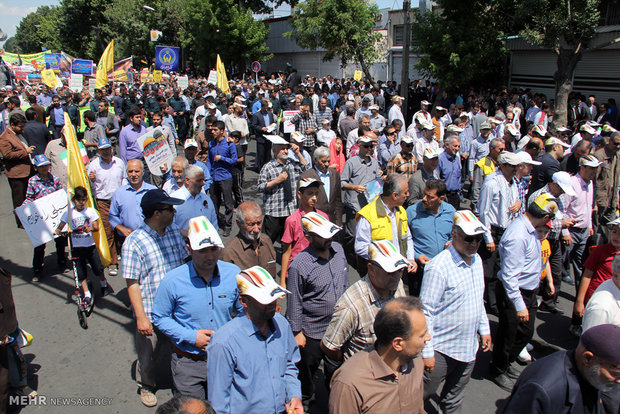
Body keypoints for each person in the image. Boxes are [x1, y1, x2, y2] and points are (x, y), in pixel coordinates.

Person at [152, 216, 243, 399]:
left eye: (213, 249)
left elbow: (243, 312)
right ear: (189, 249)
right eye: (202, 250)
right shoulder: (172, 281)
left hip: (225, 360)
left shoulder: (234, 275)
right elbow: (159, 317)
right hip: (188, 363)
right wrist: (192, 337)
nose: (210, 256)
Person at [421, 210, 492, 413]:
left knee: (454, 399)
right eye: (469, 238)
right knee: (420, 395)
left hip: (468, 348)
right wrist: (427, 352)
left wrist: (484, 329)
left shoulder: (477, 261)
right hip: (441, 349)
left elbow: (478, 299)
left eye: (478, 239)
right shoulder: (439, 267)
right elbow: (426, 311)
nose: (474, 244)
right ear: (454, 235)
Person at [207, 266, 304, 414]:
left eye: (273, 297)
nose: (272, 303)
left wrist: (294, 395)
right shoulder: (223, 343)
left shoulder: (282, 325)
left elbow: (290, 365)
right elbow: (219, 403)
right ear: (244, 301)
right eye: (264, 299)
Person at [122, 189, 187, 407]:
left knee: (180, 349)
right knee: (149, 354)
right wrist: (141, 317)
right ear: (157, 213)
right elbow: (132, 284)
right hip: (152, 311)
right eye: (169, 208)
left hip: (178, 309)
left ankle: (181, 383)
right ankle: (146, 384)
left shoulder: (173, 232)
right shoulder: (134, 242)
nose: (174, 211)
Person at [490, 193, 559, 391]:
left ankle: (507, 360)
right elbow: (510, 277)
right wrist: (519, 305)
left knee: (525, 333)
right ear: (545, 218)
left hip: (528, 290)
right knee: (508, 333)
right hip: (515, 293)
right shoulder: (519, 236)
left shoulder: (529, 230)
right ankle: (498, 368)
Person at [286, 213, 348, 410]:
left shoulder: (338, 250)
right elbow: (294, 300)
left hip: (338, 329)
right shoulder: (299, 265)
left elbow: (345, 283)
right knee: (306, 377)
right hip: (311, 332)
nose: (328, 239)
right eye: (322, 236)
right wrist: (297, 332)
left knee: (337, 375)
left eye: (329, 234)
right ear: (309, 236)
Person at [329, 297, 429, 414]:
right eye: (422, 335)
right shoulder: (349, 384)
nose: (428, 337)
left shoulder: (415, 363)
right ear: (398, 344)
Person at [321, 240, 409, 363]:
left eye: (400, 270)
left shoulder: (397, 284)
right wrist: (352, 365)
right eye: (390, 272)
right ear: (371, 269)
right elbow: (329, 346)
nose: (397, 276)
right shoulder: (351, 305)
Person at [503, 324, 620, 414]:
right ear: (588, 358)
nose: (619, 381)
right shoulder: (542, 389)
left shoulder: (590, 373)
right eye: (615, 373)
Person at [477, 151, 522, 314]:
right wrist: (488, 237)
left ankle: (494, 300)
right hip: (493, 231)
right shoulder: (491, 183)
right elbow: (484, 212)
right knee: (488, 270)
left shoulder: (512, 182)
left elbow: (515, 201)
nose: (515, 169)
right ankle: (487, 302)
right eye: (512, 167)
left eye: (517, 166)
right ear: (503, 166)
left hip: (507, 229)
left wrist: (517, 203)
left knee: (500, 267)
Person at [54, 186, 110, 306]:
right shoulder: (69, 213)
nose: (81, 202)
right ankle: (87, 294)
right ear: (74, 200)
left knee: (98, 268)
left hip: (89, 245)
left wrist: (89, 228)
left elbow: (96, 227)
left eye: (84, 200)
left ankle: (103, 284)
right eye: (79, 200)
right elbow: (60, 226)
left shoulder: (90, 211)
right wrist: (58, 231)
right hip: (77, 247)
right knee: (80, 272)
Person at [571, 218, 620, 337]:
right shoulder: (600, 251)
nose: (616, 236)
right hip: (596, 296)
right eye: (614, 231)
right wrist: (579, 301)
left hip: (616, 301)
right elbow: (587, 275)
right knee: (593, 333)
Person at [257, 135, 309, 243]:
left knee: (289, 242)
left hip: (290, 210)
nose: (286, 151)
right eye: (282, 148)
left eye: (286, 148)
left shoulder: (292, 164)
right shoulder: (268, 167)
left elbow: (306, 168)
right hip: (274, 211)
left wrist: (298, 153)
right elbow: (260, 187)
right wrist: (276, 181)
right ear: (275, 151)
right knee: (267, 242)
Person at [23, 154, 66, 281]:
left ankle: (62, 261)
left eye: (46, 166)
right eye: (41, 167)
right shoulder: (32, 181)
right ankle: (37, 269)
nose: (44, 169)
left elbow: (60, 195)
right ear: (36, 168)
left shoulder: (55, 178)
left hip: (54, 215)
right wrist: (22, 209)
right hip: (41, 217)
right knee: (40, 244)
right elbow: (29, 198)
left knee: (60, 240)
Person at [280, 178, 329, 288]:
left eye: (316, 194)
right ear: (299, 194)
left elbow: (327, 246)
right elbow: (287, 251)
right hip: (298, 270)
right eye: (310, 194)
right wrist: (282, 281)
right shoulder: (292, 220)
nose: (314, 198)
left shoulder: (323, 218)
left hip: (318, 268)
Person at [341, 133, 383, 261]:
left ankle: (361, 258)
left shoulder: (374, 163)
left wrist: (381, 180)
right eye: (367, 146)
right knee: (352, 234)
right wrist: (354, 187)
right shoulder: (351, 162)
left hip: (369, 205)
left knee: (366, 234)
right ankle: (347, 256)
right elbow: (342, 182)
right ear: (359, 146)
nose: (370, 149)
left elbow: (377, 181)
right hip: (354, 204)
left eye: (371, 146)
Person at [87, 137, 126, 276]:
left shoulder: (119, 162)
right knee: (108, 232)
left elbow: (124, 178)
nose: (105, 152)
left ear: (111, 148)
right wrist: (91, 180)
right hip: (103, 202)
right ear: (99, 151)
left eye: (107, 149)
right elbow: (89, 187)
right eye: (102, 150)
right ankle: (112, 262)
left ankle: (122, 253)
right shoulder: (93, 165)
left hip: (119, 200)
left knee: (122, 229)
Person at [222, 202, 277, 277]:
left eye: (259, 223)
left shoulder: (266, 241)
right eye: (251, 224)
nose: (256, 230)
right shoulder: (229, 252)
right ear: (239, 223)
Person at [0, 113, 33, 227]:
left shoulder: (18, 134)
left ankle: (29, 218)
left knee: (28, 197)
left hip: (27, 170)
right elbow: (7, 155)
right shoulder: (4, 137)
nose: (22, 129)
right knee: (19, 199)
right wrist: (25, 152)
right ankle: (21, 222)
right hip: (16, 174)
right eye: (20, 127)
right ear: (12, 125)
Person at [300, 146, 343, 226]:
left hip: (331, 220)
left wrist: (339, 221)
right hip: (315, 219)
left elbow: (338, 200)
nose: (326, 164)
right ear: (315, 160)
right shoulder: (307, 176)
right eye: (323, 161)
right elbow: (301, 201)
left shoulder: (334, 174)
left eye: (328, 161)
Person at [171, 164, 218, 237]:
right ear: (187, 180)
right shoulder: (174, 200)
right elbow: (170, 227)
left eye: (203, 179)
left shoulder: (206, 199)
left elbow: (214, 224)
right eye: (199, 180)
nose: (203, 183)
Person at [207, 120, 237, 236]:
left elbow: (234, 161)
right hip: (214, 177)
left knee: (228, 203)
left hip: (225, 177)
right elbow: (209, 160)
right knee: (214, 202)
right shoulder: (211, 143)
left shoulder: (230, 144)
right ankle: (216, 223)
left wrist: (222, 158)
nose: (213, 131)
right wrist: (208, 174)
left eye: (215, 130)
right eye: (212, 129)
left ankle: (228, 225)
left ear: (222, 131)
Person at [593, 131, 620, 239]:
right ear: (609, 141)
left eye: (619, 144)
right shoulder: (599, 156)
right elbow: (593, 181)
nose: (617, 146)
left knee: (611, 230)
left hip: (612, 200)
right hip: (600, 200)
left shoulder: (617, 156)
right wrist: (593, 203)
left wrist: (616, 198)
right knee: (596, 231)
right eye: (615, 143)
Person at [250, 100, 275, 171]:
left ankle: (267, 169)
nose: (266, 109)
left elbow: (272, 123)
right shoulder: (257, 115)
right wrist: (261, 128)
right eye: (265, 108)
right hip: (261, 137)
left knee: (268, 154)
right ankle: (260, 169)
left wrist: (273, 126)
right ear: (262, 107)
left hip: (269, 136)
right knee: (261, 154)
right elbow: (253, 125)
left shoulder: (270, 114)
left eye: (267, 108)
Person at [438, 134, 462, 209]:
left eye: (459, 146)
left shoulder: (457, 159)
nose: (457, 148)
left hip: (455, 196)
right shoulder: (440, 159)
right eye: (455, 146)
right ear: (447, 145)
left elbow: (459, 177)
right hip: (444, 196)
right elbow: (437, 178)